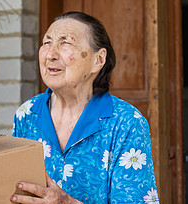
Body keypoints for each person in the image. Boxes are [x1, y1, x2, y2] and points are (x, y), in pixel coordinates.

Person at [10, 12, 159, 203]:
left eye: (66, 43)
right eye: (47, 43)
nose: (50, 54)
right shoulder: (26, 114)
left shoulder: (127, 123)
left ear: (98, 60)